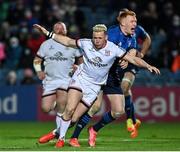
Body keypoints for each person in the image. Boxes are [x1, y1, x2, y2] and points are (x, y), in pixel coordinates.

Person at [33, 23, 160, 148]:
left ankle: (55, 133)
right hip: (80, 79)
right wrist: (48, 33)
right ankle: (61, 140)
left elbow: (133, 59)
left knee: (75, 117)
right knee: (69, 109)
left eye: (99, 38)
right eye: (95, 37)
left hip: (94, 87)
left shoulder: (113, 49)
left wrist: (148, 65)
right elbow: (67, 41)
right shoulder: (86, 43)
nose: (96, 40)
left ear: (105, 37)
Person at [67, 9, 151, 147]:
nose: (135, 23)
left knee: (118, 111)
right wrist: (81, 66)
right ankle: (68, 135)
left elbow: (132, 50)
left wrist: (131, 58)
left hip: (113, 75)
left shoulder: (133, 35)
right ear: (122, 22)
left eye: (135, 21)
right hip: (100, 74)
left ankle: (94, 129)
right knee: (94, 107)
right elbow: (93, 51)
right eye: (132, 21)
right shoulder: (111, 34)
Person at [33, 22, 83, 144]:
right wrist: (39, 71)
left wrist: (79, 68)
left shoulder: (72, 44)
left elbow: (82, 61)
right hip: (50, 80)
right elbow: (37, 60)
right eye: (57, 28)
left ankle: (61, 136)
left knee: (62, 106)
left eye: (62, 28)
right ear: (53, 31)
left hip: (66, 80)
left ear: (66, 30)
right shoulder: (46, 45)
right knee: (45, 108)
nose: (59, 30)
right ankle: (56, 105)